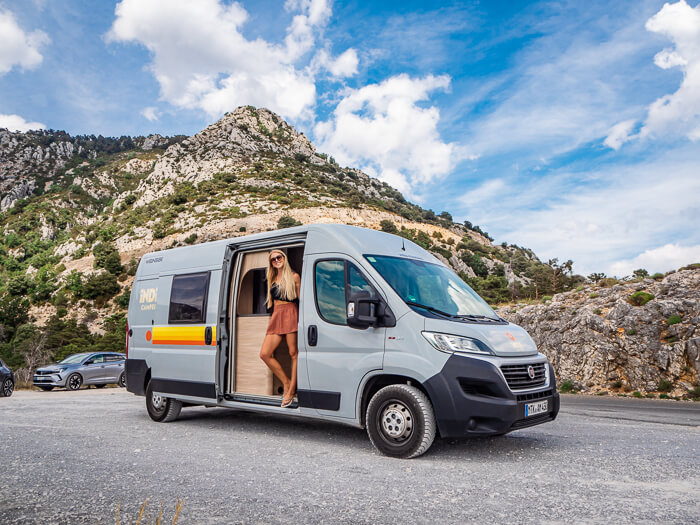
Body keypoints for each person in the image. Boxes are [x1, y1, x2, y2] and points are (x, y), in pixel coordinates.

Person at [259, 249, 300, 408]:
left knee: (293, 354)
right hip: (277, 314)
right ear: (271, 263)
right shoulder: (272, 278)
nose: (276, 260)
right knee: (264, 354)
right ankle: (287, 382)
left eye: (279, 257)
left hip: (290, 312)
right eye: (273, 259)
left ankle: (291, 391)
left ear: (284, 258)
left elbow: (301, 299)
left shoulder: (294, 277)